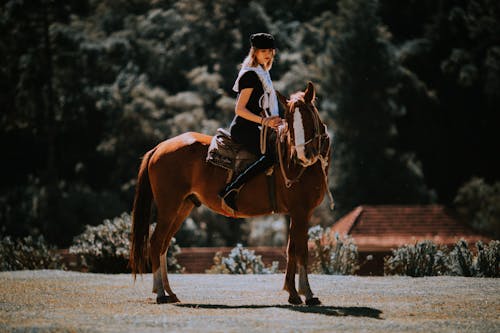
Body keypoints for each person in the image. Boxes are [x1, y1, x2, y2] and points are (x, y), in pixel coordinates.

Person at [218, 32, 283, 212]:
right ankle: (232, 189)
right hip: (244, 128)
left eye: (270, 50)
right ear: (254, 52)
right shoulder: (251, 76)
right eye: (263, 51)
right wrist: (265, 121)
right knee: (270, 156)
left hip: (257, 126)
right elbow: (239, 109)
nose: (267, 54)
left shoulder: (263, 73)